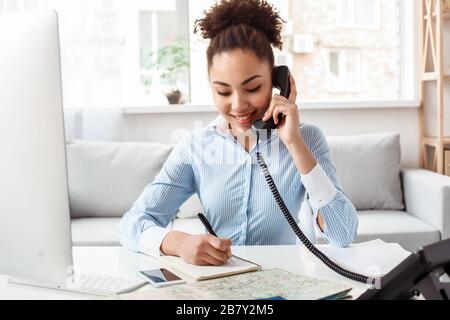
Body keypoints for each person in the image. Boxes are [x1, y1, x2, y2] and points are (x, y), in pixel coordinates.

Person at [119, 0, 358, 266]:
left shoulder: (307, 139)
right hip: (217, 286)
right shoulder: (195, 146)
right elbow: (131, 225)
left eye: (253, 88)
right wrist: (179, 243)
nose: (238, 105)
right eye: (223, 91)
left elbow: (343, 234)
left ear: (278, 82)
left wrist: (294, 144)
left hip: (282, 282)